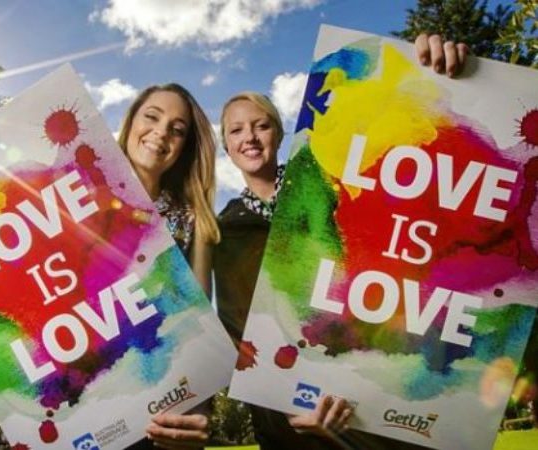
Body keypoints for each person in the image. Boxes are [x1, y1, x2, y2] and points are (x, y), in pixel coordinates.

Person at [213, 34, 469, 450]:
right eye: (237, 130)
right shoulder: (223, 234)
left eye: (261, 125)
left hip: (372, 406)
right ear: (227, 146)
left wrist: (444, 74)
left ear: (279, 134)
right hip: (290, 425)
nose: (251, 137)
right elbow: (242, 335)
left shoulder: (336, 184)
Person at [116, 83, 220, 450]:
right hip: (75, 406)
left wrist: (199, 412)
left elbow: (198, 327)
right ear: (130, 123)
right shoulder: (72, 194)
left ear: (183, 148)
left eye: (177, 130)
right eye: (152, 116)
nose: (161, 133)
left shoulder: (193, 222)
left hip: (155, 415)